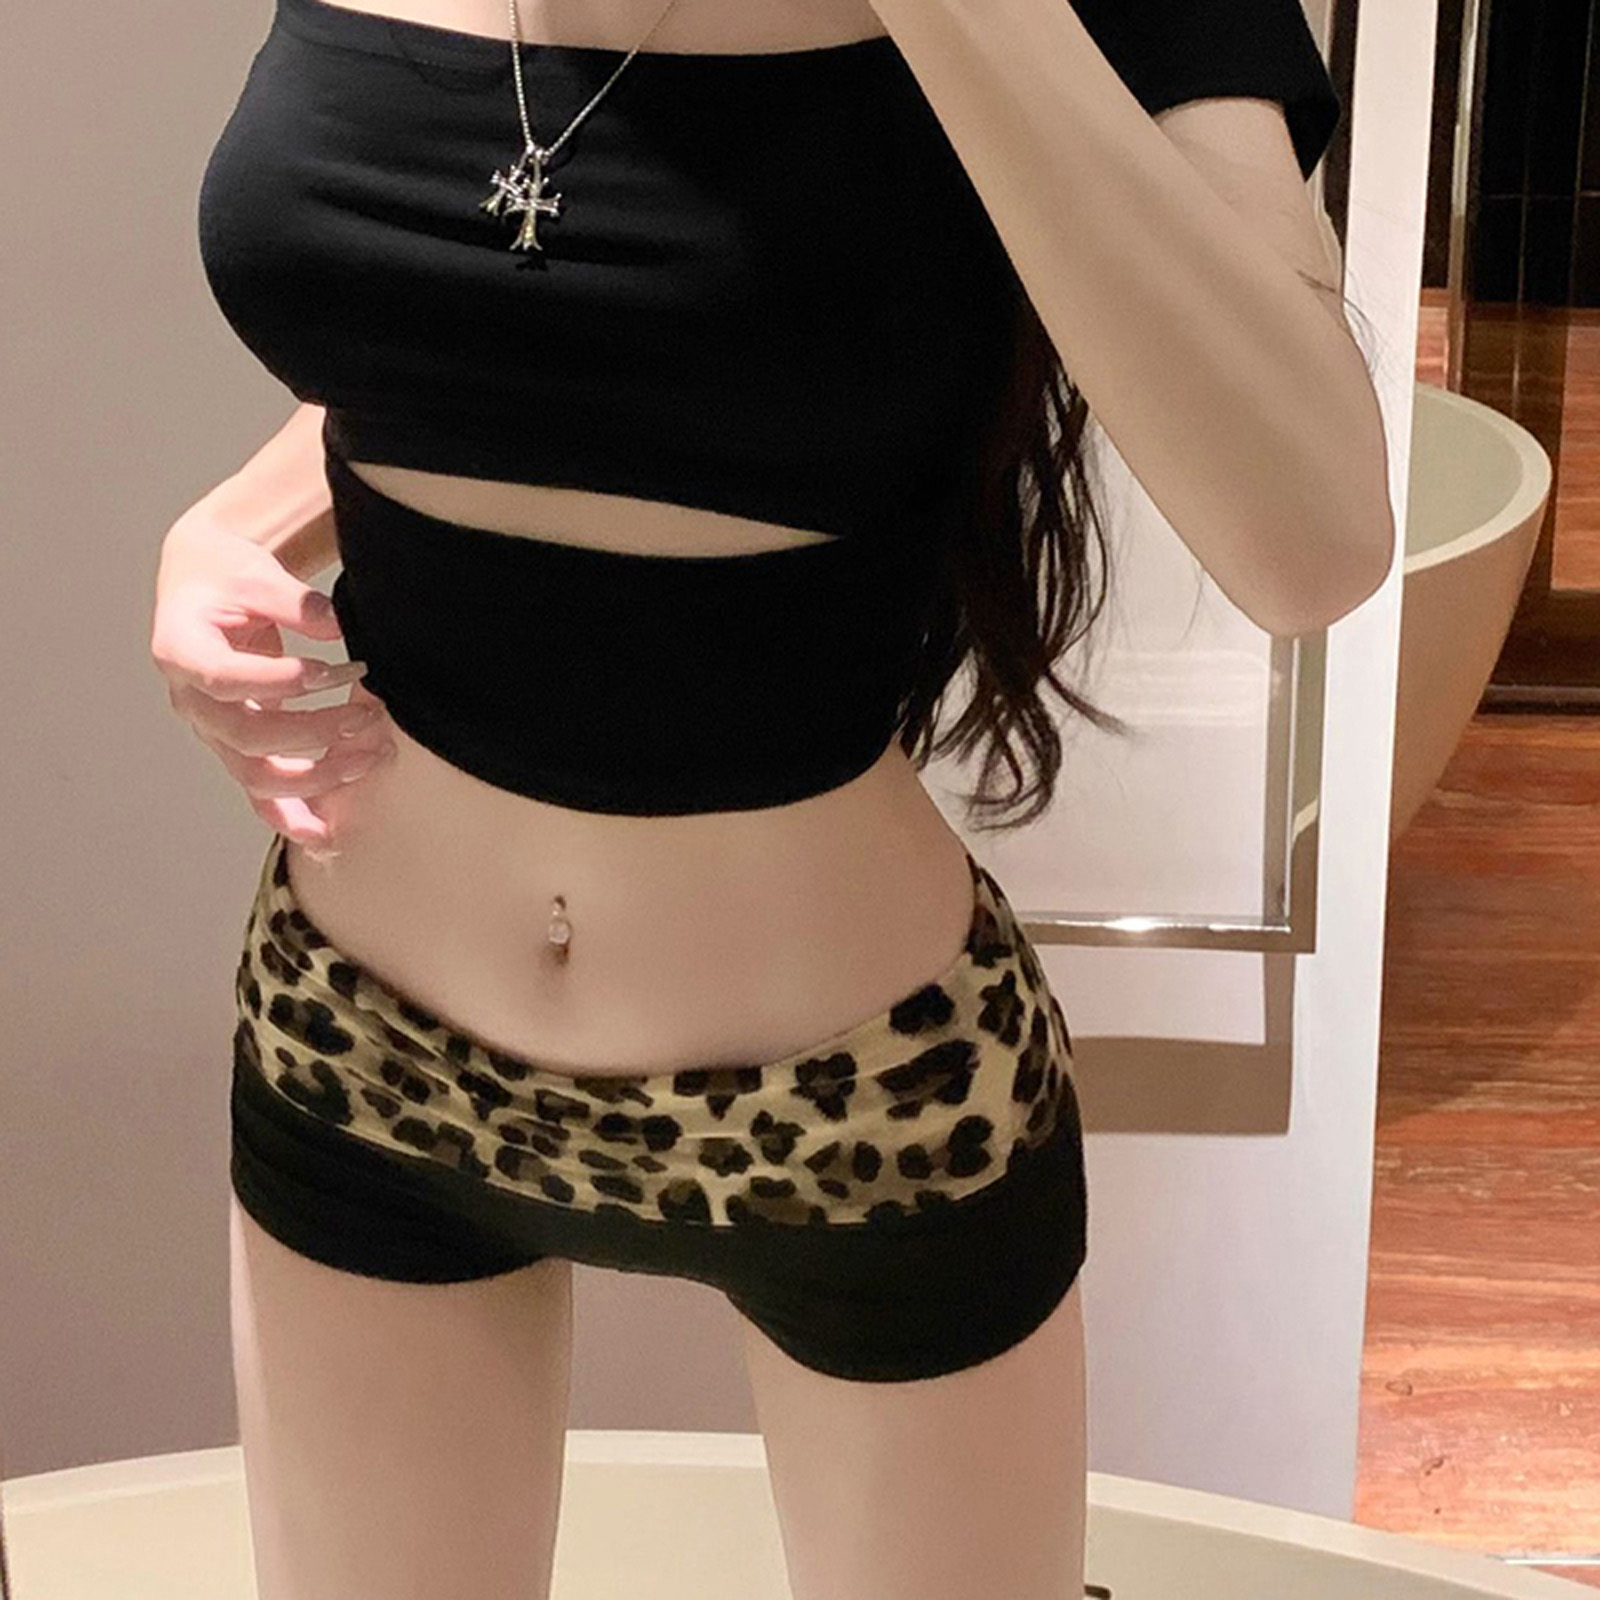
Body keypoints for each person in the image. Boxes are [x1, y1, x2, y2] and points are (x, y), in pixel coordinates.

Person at [151, 0, 1382, 1595]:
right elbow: (519, 287)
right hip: (363, 1042)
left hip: (869, 1096)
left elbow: (1312, 536)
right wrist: (231, 527)